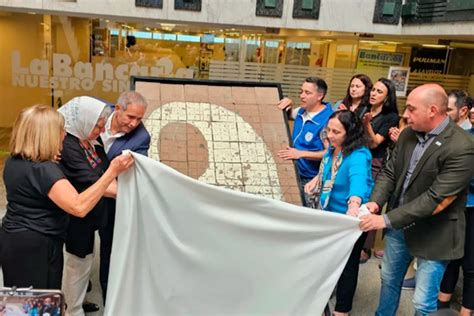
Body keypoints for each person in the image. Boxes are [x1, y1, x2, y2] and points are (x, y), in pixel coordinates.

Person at [359, 83, 474, 316]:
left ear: (432, 110)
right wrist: (375, 202)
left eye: (411, 109)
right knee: (388, 280)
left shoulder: (463, 146)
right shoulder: (408, 135)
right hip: (399, 227)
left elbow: (435, 198)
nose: (405, 114)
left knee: (422, 302)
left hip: (435, 234)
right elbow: (390, 172)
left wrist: (385, 220)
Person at [0, 105, 133, 290]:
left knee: (25, 301)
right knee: (37, 303)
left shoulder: (16, 161)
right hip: (34, 246)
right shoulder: (44, 169)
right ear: (46, 134)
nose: (64, 135)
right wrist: (112, 172)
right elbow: (78, 206)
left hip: (19, 240)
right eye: (61, 130)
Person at [304, 110, 373, 316]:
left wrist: (353, 206)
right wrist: (317, 180)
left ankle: (342, 311)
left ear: (350, 133)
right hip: (329, 215)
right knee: (327, 260)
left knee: (348, 266)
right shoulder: (333, 148)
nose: (330, 135)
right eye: (328, 130)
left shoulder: (359, 155)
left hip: (349, 221)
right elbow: (326, 170)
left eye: (336, 132)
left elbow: (358, 182)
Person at [57, 96, 117, 316]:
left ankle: (76, 302)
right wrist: (128, 195)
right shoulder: (68, 145)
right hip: (74, 219)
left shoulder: (91, 141)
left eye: (102, 126)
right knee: (75, 265)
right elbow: (94, 179)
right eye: (97, 125)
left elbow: (105, 170)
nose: (100, 131)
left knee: (85, 263)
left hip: (90, 217)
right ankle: (70, 309)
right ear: (84, 121)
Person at [99, 91, 150, 302]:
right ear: (117, 109)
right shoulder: (98, 116)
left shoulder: (141, 137)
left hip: (111, 197)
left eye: (139, 119)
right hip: (80, 190)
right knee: (78, 249)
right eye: (130, 117)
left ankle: (108, 297)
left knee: (108, 246)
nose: (134, 123)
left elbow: (134, 172)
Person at [438, 93, 474, 316]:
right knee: (451, 255)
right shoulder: (464, 135)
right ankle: (442, 304)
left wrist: (457, 177)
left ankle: (465, 310)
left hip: (470, 205)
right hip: (455, 204)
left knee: (470, 262)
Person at [360, 78, 399, 262]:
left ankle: (365, 248)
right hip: (358, 158)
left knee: (371, 203)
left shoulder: (390, 117)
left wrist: (366, 124)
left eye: (379, 91)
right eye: (373, 90)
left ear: (387, 97)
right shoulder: (363, 108)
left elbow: (375, 142)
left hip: (375, 162)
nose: (374, 93)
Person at [277, 77, 333, 206]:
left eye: (307, 93)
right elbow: (289, 114)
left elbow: (330, 153)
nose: (302, 96)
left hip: (310, 179)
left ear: (320, 96)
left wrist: (301, 154)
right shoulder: (302, 111)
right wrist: (288, 103)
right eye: (301, 91)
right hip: (293, 172)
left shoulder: (328, 121)